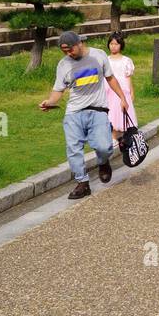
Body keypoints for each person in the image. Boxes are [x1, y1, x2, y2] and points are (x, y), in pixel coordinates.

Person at [39, 30, 130, 199]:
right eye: (64, 51)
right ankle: (82, 183)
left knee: (104, 146)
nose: (68, 54)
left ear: (79, 44)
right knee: (73, 149)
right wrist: (50, 102)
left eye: (70, 50)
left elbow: (110, 79)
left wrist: (122, 98)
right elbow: (58, 90)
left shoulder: (99, 55)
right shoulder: (63, 64)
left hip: (98, 110)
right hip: (74, 112)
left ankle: (103, 162)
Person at [105, 31, 136, 146]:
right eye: (111, 44)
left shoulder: (126, 60)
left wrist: (131, 92)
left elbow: (128, 78)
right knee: (110, 113)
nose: (113, 46)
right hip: (108, 89)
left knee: (119, 112)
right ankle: (112, 135)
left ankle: (117, 135)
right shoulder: (106, 60)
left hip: (122, 89)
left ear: (121, 45)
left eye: (116, 44)